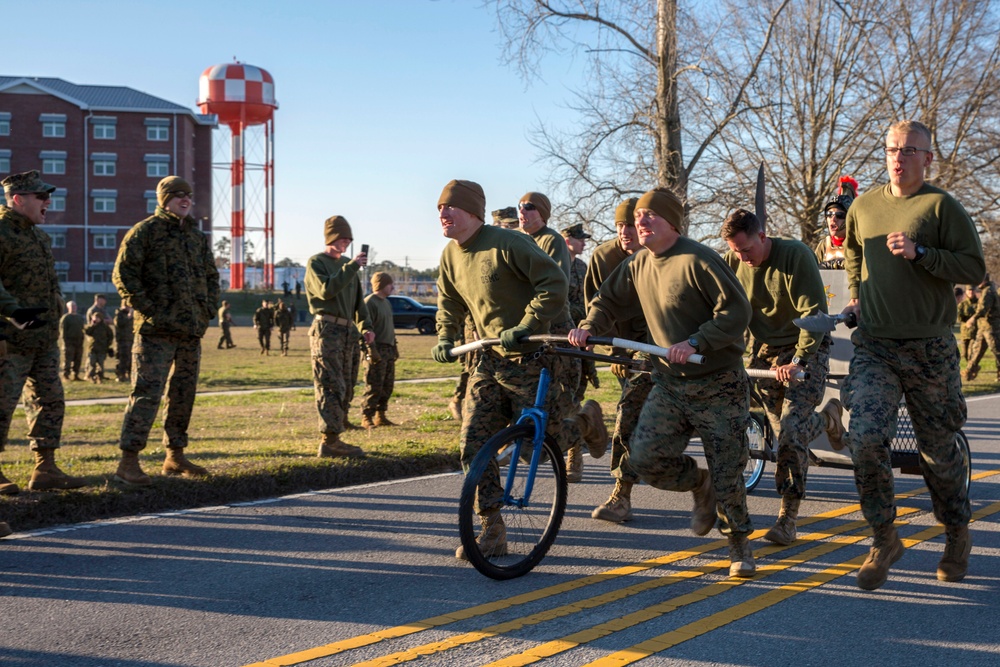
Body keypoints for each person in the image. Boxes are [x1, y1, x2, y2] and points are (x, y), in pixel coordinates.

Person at [568, 187, 757, 578]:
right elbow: (607, 301)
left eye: (650, 215)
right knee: (644, 459)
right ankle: (698, 484)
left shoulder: (697, 259)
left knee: (728, 469)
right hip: (669, 382)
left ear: (672, 222)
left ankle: (739, 544)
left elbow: (737, 311)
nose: (641, 221)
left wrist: (695, 341)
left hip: (718, 382)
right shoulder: (638, 264)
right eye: (638, 216)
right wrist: (589, 327)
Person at [840, 119, 985, 590]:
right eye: (891, 149)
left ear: (927, 157)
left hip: (929, 348)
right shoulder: (862, 207)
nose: (898, 158)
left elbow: (973, 266)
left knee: (938, 452)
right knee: (863, 440)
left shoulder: (942, 206)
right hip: (876, 345)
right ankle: (884, 537)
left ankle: (956, 534)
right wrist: (857, 295)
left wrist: (923, 253)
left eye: (909, 150)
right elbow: (855, 257)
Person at [432, 179, 568, 560]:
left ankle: (584, 421)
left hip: (530, 356)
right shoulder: (450, 255)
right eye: (439, 208)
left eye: (450, 207)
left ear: (473, 212)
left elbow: (554, 283)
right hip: (487, 359)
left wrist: (527, 325)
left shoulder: (508, 243)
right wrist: (445, 337)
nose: (442, 214)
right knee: (473, 441)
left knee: (534, 450)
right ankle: (492, 526)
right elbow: (449, 302)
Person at [721, 208, 847, 546]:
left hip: (808, 344)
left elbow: (814, 314)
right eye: (735, 251)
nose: (742, 257)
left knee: (791, 435)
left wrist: (800, 361)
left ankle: (787, 519)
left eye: (747, 249)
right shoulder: (735, 261)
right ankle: (829, 420)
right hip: (766, 351)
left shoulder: (796, 256)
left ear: (762, 236)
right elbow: (727, 312)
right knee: (782, 433)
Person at [111, 175, 220, 485]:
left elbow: (212, 277)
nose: (185, 199)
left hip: (189, 332)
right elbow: (123, 276)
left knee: (183, 395)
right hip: (155, 332)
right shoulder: (144, 232)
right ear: (164, 199)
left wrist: (207, 309)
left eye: (188, 195)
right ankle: (128, 461)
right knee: (146, 395)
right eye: (177, 195)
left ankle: (175, 455)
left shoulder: (196, 237)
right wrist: (152, 310)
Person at [0, 170, 87, 492]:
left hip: (43, 338)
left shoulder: (39, 236)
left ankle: (45, 469)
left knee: (50, 401)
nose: (47, 202)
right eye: (41, 196)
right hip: (10, 340)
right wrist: (14, 313)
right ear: (18, 199)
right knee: (1, 405)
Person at [518, 191, 606, 485]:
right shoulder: (517, 241)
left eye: (529, 207)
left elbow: (553, 290)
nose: (522, 212)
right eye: (520, 207)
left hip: (559, 331)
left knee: (568, 395)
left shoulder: (551, 241)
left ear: (542, 213)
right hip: (530, 330)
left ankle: (575, 455)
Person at [585, 197, 652, 523]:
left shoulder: (660, 255)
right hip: (625, 347)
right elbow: (598, 305)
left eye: (630, 226)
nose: (625, 232)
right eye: (620, 226)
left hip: (665, 344)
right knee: (630, 413)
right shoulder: (603, 257)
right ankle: (622, 494)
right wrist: (617, 353)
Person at [304, 215, 374, 458]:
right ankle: (329, 440)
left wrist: (366, 326)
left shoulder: (348, 266)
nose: (345, 242)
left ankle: (338, 429)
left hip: (347, 332)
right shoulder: (317, 263)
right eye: (341, 237)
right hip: (327, 331)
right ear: (330, 237)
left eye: (348, 238)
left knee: (346, 385)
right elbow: (326, 291)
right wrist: (353, 266)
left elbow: (359, 304)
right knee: (330, 385)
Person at [562, 222, 600, 402]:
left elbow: (590, 297)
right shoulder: (556, 265)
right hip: (563, 332)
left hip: (581, 329)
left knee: (584, 370)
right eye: (580, 240)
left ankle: (576, 406)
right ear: (567, 240)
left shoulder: (582, 266)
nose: (584, 243)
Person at [361, 271, 399, 428]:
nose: (393, 287)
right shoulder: (370, 302)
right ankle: (366, 417)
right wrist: (370, 350)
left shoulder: (386, 303)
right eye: (390, 284)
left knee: (387, 385)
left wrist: (394, 346)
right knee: (374, 385)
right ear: (382, 285)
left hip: (388, 349)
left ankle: (381, 416)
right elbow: (365, 328)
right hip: (376, 349)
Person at [815, 176, 858, 269]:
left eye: (839, 215)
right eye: (829, 214)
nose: (833, 219)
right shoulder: (823, 246)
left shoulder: (859, 244)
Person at [963, 275, 1000, 382]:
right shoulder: (988, 290)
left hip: (991, 327)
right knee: (977, 351)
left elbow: (983, 309)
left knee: (997, 351)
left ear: (984, 280)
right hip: (984, 327)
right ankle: (968, 374)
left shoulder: (988, 291)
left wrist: (972, 319)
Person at [83, 311, 113, 384]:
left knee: (100, 364)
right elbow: (87, 332)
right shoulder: (91, 326)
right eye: (95, 317)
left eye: (98, 317)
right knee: (92, 363)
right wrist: (92, 325)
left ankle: (99, 377)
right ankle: (91, 377)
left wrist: (107, 345)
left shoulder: (105, 327)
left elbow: (110, 336)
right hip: (92, 348)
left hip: (102, 349)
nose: (96, 319)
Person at [59, 300, 85, 381]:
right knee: (68, 359)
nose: (74, 308)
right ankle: (66, 375)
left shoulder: (80, 318)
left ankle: (76, 375)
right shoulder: (66, 318)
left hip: (79, 342)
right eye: (72, 306)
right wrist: (65, 342)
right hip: (69, 342)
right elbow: (63, 331)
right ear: (68, 307)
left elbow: (82, 329)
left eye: (74, 306)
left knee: (78, 359)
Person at [956, 284, 979, 364]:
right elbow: (959, 317)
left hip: (976, 332)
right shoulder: (963, 304)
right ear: (966, 292)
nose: (971, 292)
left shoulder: (979, 303)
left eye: (972, 290)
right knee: (964, 353)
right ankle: (970, 367)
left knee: (971, 353)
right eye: (969, 290)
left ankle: (971, 369)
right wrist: (966, 320)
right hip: (965, 332)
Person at [113, 305, 134, 382]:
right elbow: (119, 324)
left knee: (130, 359)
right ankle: (120, 375)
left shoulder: (132, 315)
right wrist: (128, 317)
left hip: (130, 340)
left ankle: (129, 374)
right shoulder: (119, 315)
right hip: (122, 340)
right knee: (122, 358)